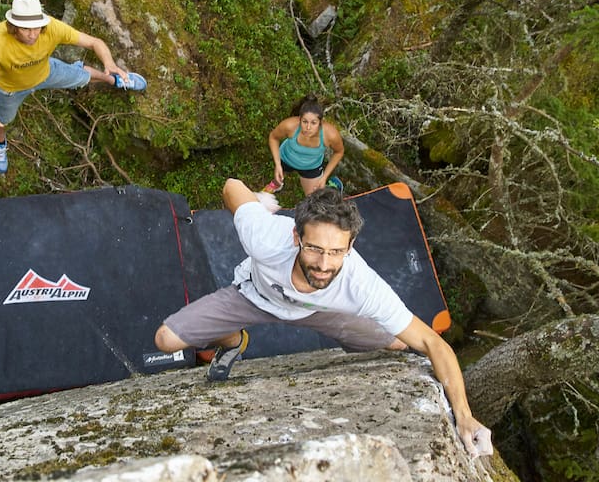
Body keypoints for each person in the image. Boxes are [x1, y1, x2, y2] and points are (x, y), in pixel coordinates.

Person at [154, 179, 494, 459]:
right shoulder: (266, 236)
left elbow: (432, 342)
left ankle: (234, 335)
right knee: (166, 340)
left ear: (351, 246)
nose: (323, 264)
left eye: (335, 252)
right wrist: (256, 203)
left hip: (323, 313)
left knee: (398, 342)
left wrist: (464, 417)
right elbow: (230, 186)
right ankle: (232, 340)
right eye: (314, 248)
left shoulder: (360, 284)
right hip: (254, 297)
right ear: (296, 237)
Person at [0, 0, 147, 174]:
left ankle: (114, 79)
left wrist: (109, 63)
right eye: (26, 29)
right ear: (13, 27)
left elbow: (94, 42)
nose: (33, 34)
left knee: (82, 77)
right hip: (11, 89)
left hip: (46, 73)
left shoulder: (51, 28)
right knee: (0, 121)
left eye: (37, 27)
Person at [262, 95, 345, 195]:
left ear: (320, 122)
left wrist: (324, 177)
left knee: (313, 198)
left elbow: (339, 152)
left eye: (313, 123)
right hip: (286, 158)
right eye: (304, 122)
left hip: (311, 166)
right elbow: (273, 137)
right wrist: (278, 164)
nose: (308, 127)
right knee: (278, 175)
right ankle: (276, 184)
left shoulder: (330, 135)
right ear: (299, 119)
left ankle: (331, 186)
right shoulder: (290, 125)